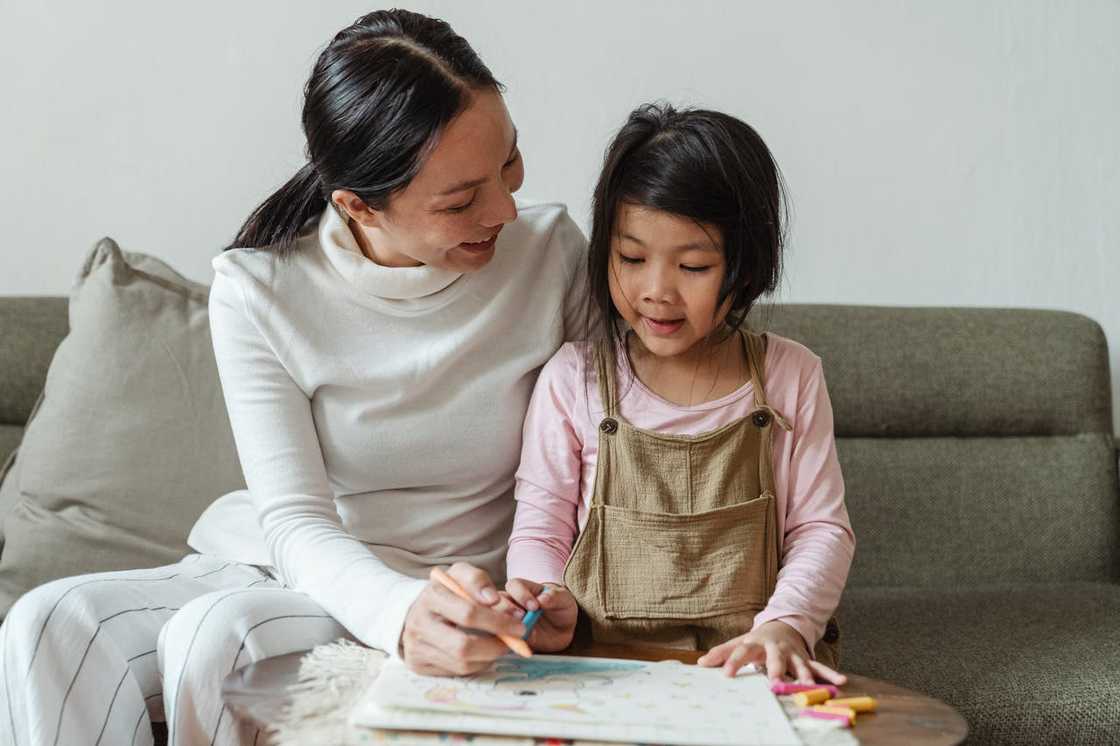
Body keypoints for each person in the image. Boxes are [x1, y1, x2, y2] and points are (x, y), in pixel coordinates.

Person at [0, 10, 586, 746]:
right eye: (460, 200)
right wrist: (399, 613)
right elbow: (296, 521)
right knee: (46, 623)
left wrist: (542, 588)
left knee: (217, 637)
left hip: (452, 584)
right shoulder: (258, 289)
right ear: (357, 204)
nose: (505, 207)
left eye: (510, 161)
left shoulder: (551, 254)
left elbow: (607, 450)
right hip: (297, 566)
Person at [503, 103, 854, 685]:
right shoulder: (573, 380)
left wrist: (788, 624)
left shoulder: (790, 375)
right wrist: (543, 596)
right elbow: (540, 531)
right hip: (601, 669)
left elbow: (821, 529)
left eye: (692, 266)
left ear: (746, 266)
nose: (656, 290)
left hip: (746, 670)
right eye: (631, 258)